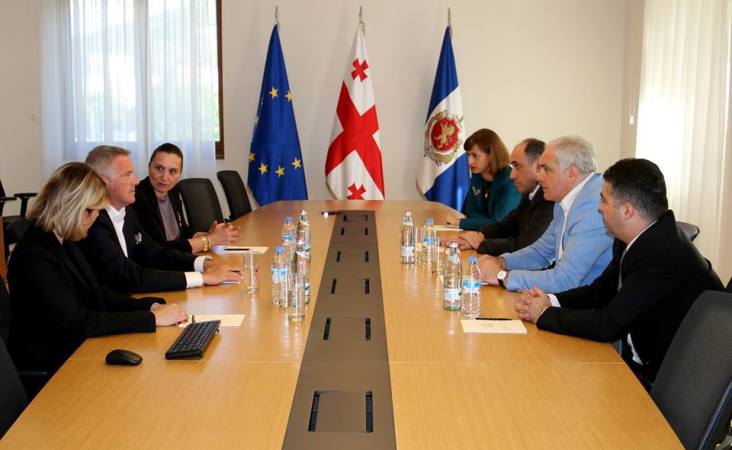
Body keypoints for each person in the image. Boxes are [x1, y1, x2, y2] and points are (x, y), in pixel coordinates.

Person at [515, 158, 723, 386]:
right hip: (639, 362)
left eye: (604, 199)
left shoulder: (659, 252)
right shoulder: (635, 237)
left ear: (626, 210)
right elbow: (600, 291)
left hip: (669, 382)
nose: (599, 207)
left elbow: (608, 324)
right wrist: (551, 301)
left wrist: (543, 314)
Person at [7, 162, 188, 396]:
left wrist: (151, 306)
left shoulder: (65, 240)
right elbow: (78, 323)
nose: (95, 220)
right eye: (93, 212)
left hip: (77, 351)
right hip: (52, 369)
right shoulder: (35, 256)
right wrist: (150, 319)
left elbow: (99, 295)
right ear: (77, 209)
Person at [79, 145, 241, 294]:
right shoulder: (93, 222)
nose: (136, 181)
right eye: (127, 174)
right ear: (104, 181)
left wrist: (203, 263)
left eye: (133, 173)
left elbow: (154, 252)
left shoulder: (127, 211)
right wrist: (202, 277)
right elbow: (128, 276)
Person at [478, 136, 613, 293]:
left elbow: (565, 280)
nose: (539, 176)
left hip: (588, 303)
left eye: (546, 169)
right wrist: (502, 262)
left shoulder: (594, 206)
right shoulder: (565, 198)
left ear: (571, 173)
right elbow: (541, 252)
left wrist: (503, 277)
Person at [131, 143, 239, 253]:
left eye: (172, 171)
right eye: (159, 168)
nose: (164, 177)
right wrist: (209, 240)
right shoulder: (138, 198)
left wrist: (208, 235)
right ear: (149, 167)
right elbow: (160, 248)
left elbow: (183, 232)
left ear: (180, 174)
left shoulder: (173, 192)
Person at [455, 138, 554, 255]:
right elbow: (508, 225)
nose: (512, 175)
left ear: (537, 166)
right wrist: (481, 235)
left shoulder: (548, 199)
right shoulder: (530, 193)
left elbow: (525, 247)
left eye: (517, 166)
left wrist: (481, 244)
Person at [444, 129, 521, 231]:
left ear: (491, 155)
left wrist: (460, 223)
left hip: (505, 237)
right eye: (468, 155)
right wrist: (483, 221)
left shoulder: (510, 179)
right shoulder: (477, 175)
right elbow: (469, 211)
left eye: (475, 156)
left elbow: (499, 222)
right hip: (479, 233)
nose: (469, 161)